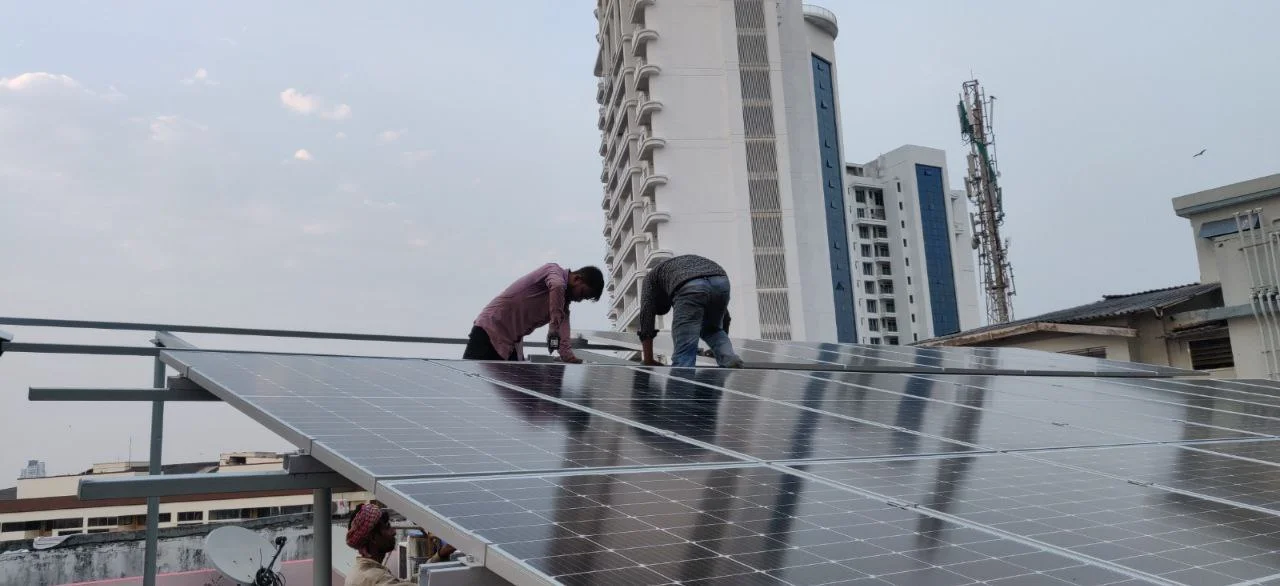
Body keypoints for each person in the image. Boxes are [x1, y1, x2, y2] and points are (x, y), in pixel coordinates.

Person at [464, 263, 604, 363]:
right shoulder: (552, 271)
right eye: (582, 293)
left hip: (509, 344)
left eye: (584, 298)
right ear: (576, 279)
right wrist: (553, 328)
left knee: (511, 396)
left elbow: (564, 333)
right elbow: (556, 286)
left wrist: (568, 357)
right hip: (489, 329)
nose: (579, 300)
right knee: (470, 378)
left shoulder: (563, 306)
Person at [637, 254, 744, 368]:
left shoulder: (649, 280)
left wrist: (648, 359)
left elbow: (646, 319)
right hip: (720, 280)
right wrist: (717, 349)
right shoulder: (670, 272)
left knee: (684, 354)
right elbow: (725, 317)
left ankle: (682, 379)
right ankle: (728, 357)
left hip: (690, 284)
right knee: (712, 329)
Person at [345, 502, 454, 585]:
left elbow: (407, 583)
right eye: (387, 527)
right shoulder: (377, 578)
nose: (394, 532)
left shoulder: (361, 572)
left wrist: (440, 555)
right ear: (373, 537)